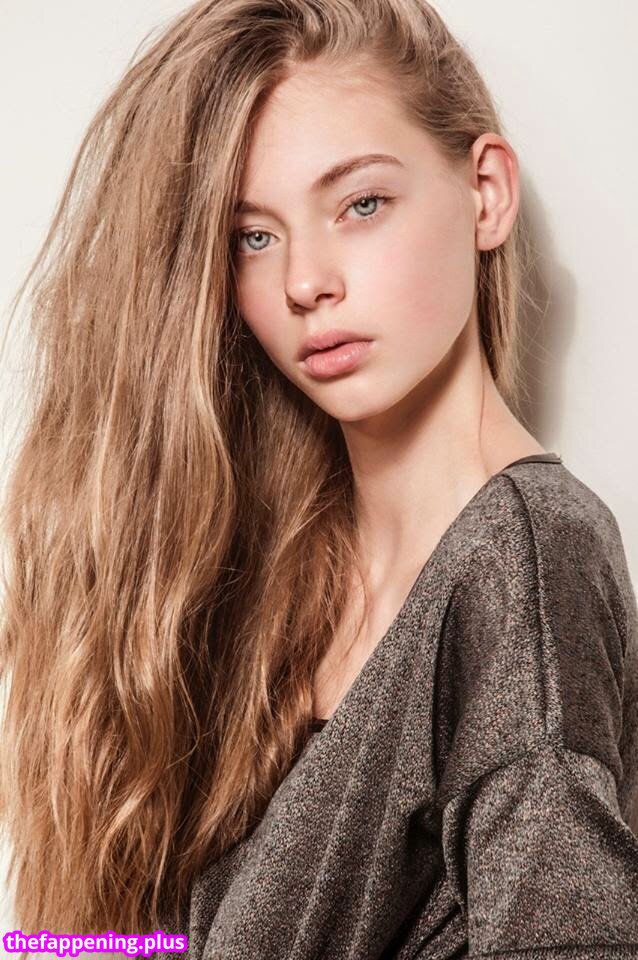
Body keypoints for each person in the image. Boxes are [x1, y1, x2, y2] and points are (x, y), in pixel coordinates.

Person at [1, 0, 636, 957]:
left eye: (361, 204)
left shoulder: (525, 558)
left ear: (486, 194)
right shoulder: (270, 581)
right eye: (253, 237)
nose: (305, 281)